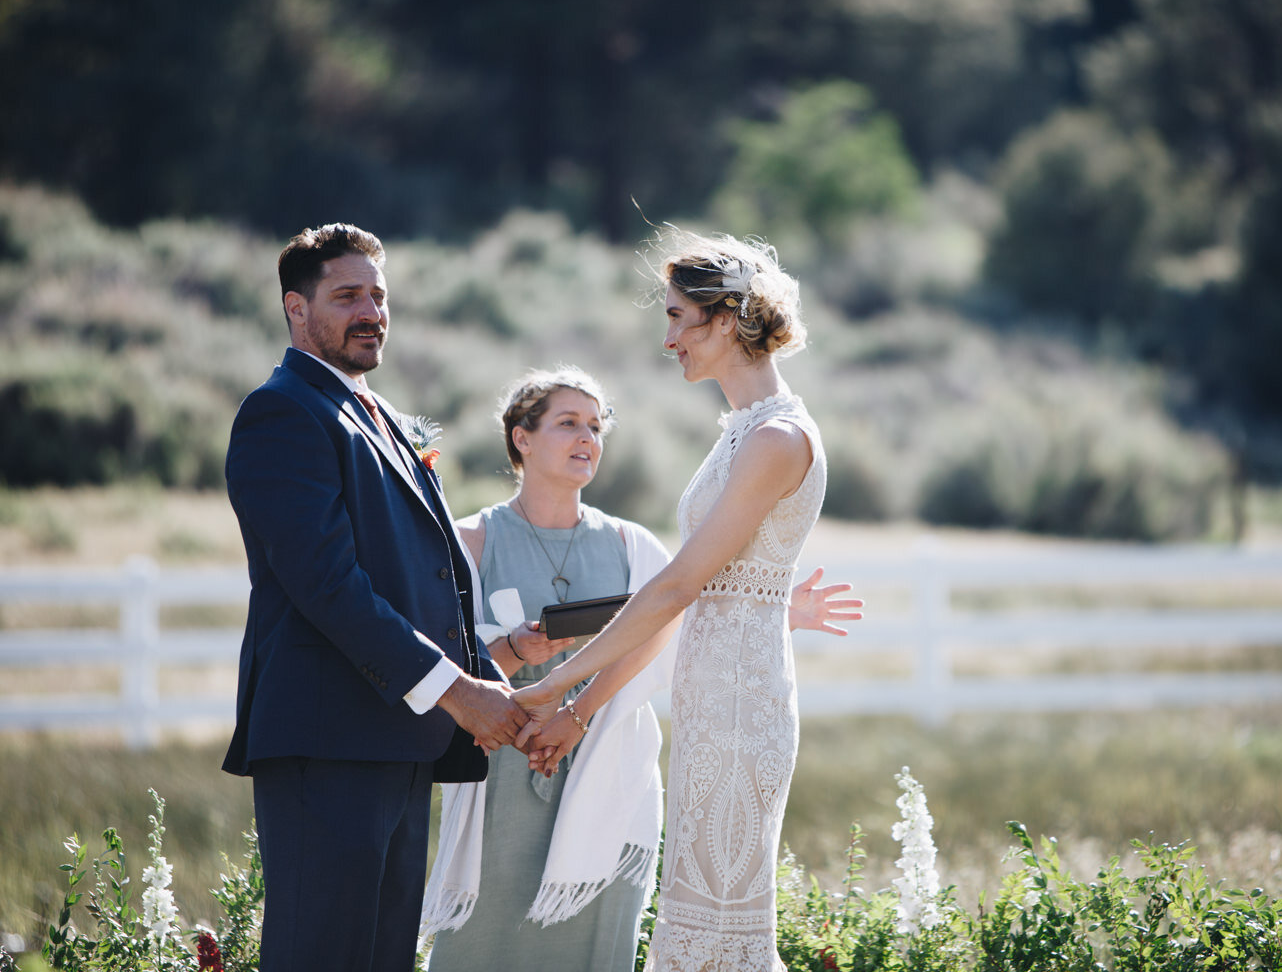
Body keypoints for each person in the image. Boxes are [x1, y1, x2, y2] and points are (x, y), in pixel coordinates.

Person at [423, 366, 861, 972]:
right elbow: (443, 664)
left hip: (611, 774)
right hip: (501, 771)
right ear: (521, 437)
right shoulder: (468, 541)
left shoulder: (633, 546)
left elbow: (679, 628)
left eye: (596, 427)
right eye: (568, 423)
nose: (588, 439)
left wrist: (778, 614)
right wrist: (518, 652)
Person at [515, 231, 827, 970]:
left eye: (678, 317)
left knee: (725, 934)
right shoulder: (741, 432)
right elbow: (694, 594)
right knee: (701, 925)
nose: (667, 339)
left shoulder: (777, 437)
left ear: (726, 321)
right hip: (710, 700)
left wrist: (561, 681)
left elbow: (680, 585)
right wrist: (576, 706)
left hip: (741, 709)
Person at [221, 223, 527, 972]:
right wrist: (457, 692)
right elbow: (329, 587)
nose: (371, 311)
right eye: (347, 295)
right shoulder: (283, 412)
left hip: (398, 736)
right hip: (328, 738)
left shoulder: (377, 411)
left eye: (379, 296)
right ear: (297, 309)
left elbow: (420, 576)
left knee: (381, 957)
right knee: (319, 955)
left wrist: (489, 680)